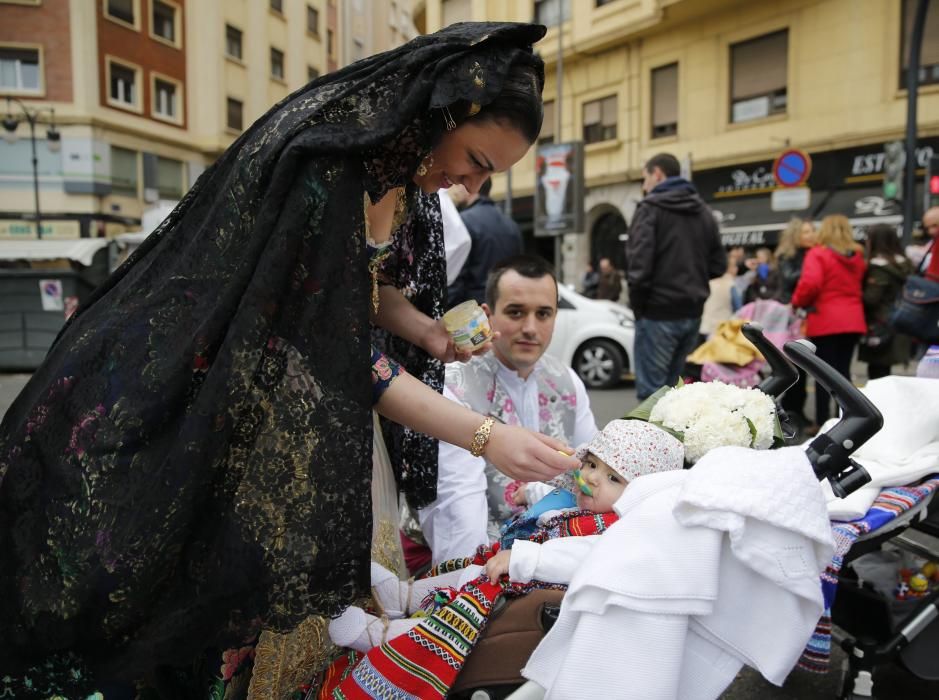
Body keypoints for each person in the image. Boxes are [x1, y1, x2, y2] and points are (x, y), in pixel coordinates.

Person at [0, 22, 581, 697]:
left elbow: (361, 291)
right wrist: (483, 435)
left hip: (276, 394)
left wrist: (425, 333)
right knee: (161, 602)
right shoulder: (331, 162)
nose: (471, 187)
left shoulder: (400, 165)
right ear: (447, 110)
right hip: (195, 399)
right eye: (477, 162)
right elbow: (340, 352)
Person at [330, 419, 684, 652]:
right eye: (592, 465)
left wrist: (525, 558)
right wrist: (530, 493)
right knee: (468, 572)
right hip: (508, 575)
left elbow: (581, 557)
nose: (591, 478)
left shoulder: (615, 532)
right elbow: (556, 503)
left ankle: (380, 638)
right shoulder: (589, 507)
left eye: (613, 478)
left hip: (526, 598)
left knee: (459, 625)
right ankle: (403, 596)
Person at [419, 254, 599, 563]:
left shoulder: (568, 381)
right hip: (483, 559)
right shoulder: (453, 386)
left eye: (543, 314)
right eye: (516, 312)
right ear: (488, 316)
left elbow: (594, 470)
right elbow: (457, 510)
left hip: (559, 550)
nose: (530, 328)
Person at [625, 152, 727, 399]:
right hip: (692, 313)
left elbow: (639, 267)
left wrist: (639, 309)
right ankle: (670, 438)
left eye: (645, 178)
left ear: (657, 174)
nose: (644, 186)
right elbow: (718, 265)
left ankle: (651, 439)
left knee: (651, 396)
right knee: (674, 394)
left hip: (657, 312)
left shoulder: (650, 209)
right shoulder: (704, 212)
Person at [791, 214, 867, 430]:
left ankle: (823, 422)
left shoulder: (818, 253)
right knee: (843, 372)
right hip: (853, 319)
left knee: (823, 374)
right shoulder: (858, 256)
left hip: (825, 320)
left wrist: (796, 302)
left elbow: (810, 284)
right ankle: (846, 419)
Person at [447, 176, 524, 306]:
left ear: (472, 185)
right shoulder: (511, 225)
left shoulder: (462, 222)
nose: (455, 190)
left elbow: (456, 274)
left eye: (459, 184)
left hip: (472, 312)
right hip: (503, 306)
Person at [774, 218, 816, 427]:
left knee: (806, 366)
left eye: (812, 231)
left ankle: (796, 410)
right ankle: (790, 411)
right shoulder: (788, 257)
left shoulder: (814, 254)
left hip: (807, 316)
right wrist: (813, 266)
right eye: (806, 232)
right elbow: (790, 281)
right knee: (793, 364)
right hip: (790, 318)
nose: (811, 235)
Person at [858, 224, 914, 380]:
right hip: (901, 320)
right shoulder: (905, 263)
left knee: (877, 375)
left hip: (880, 324)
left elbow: (872, 298)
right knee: (885, 373)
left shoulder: (878, 267)